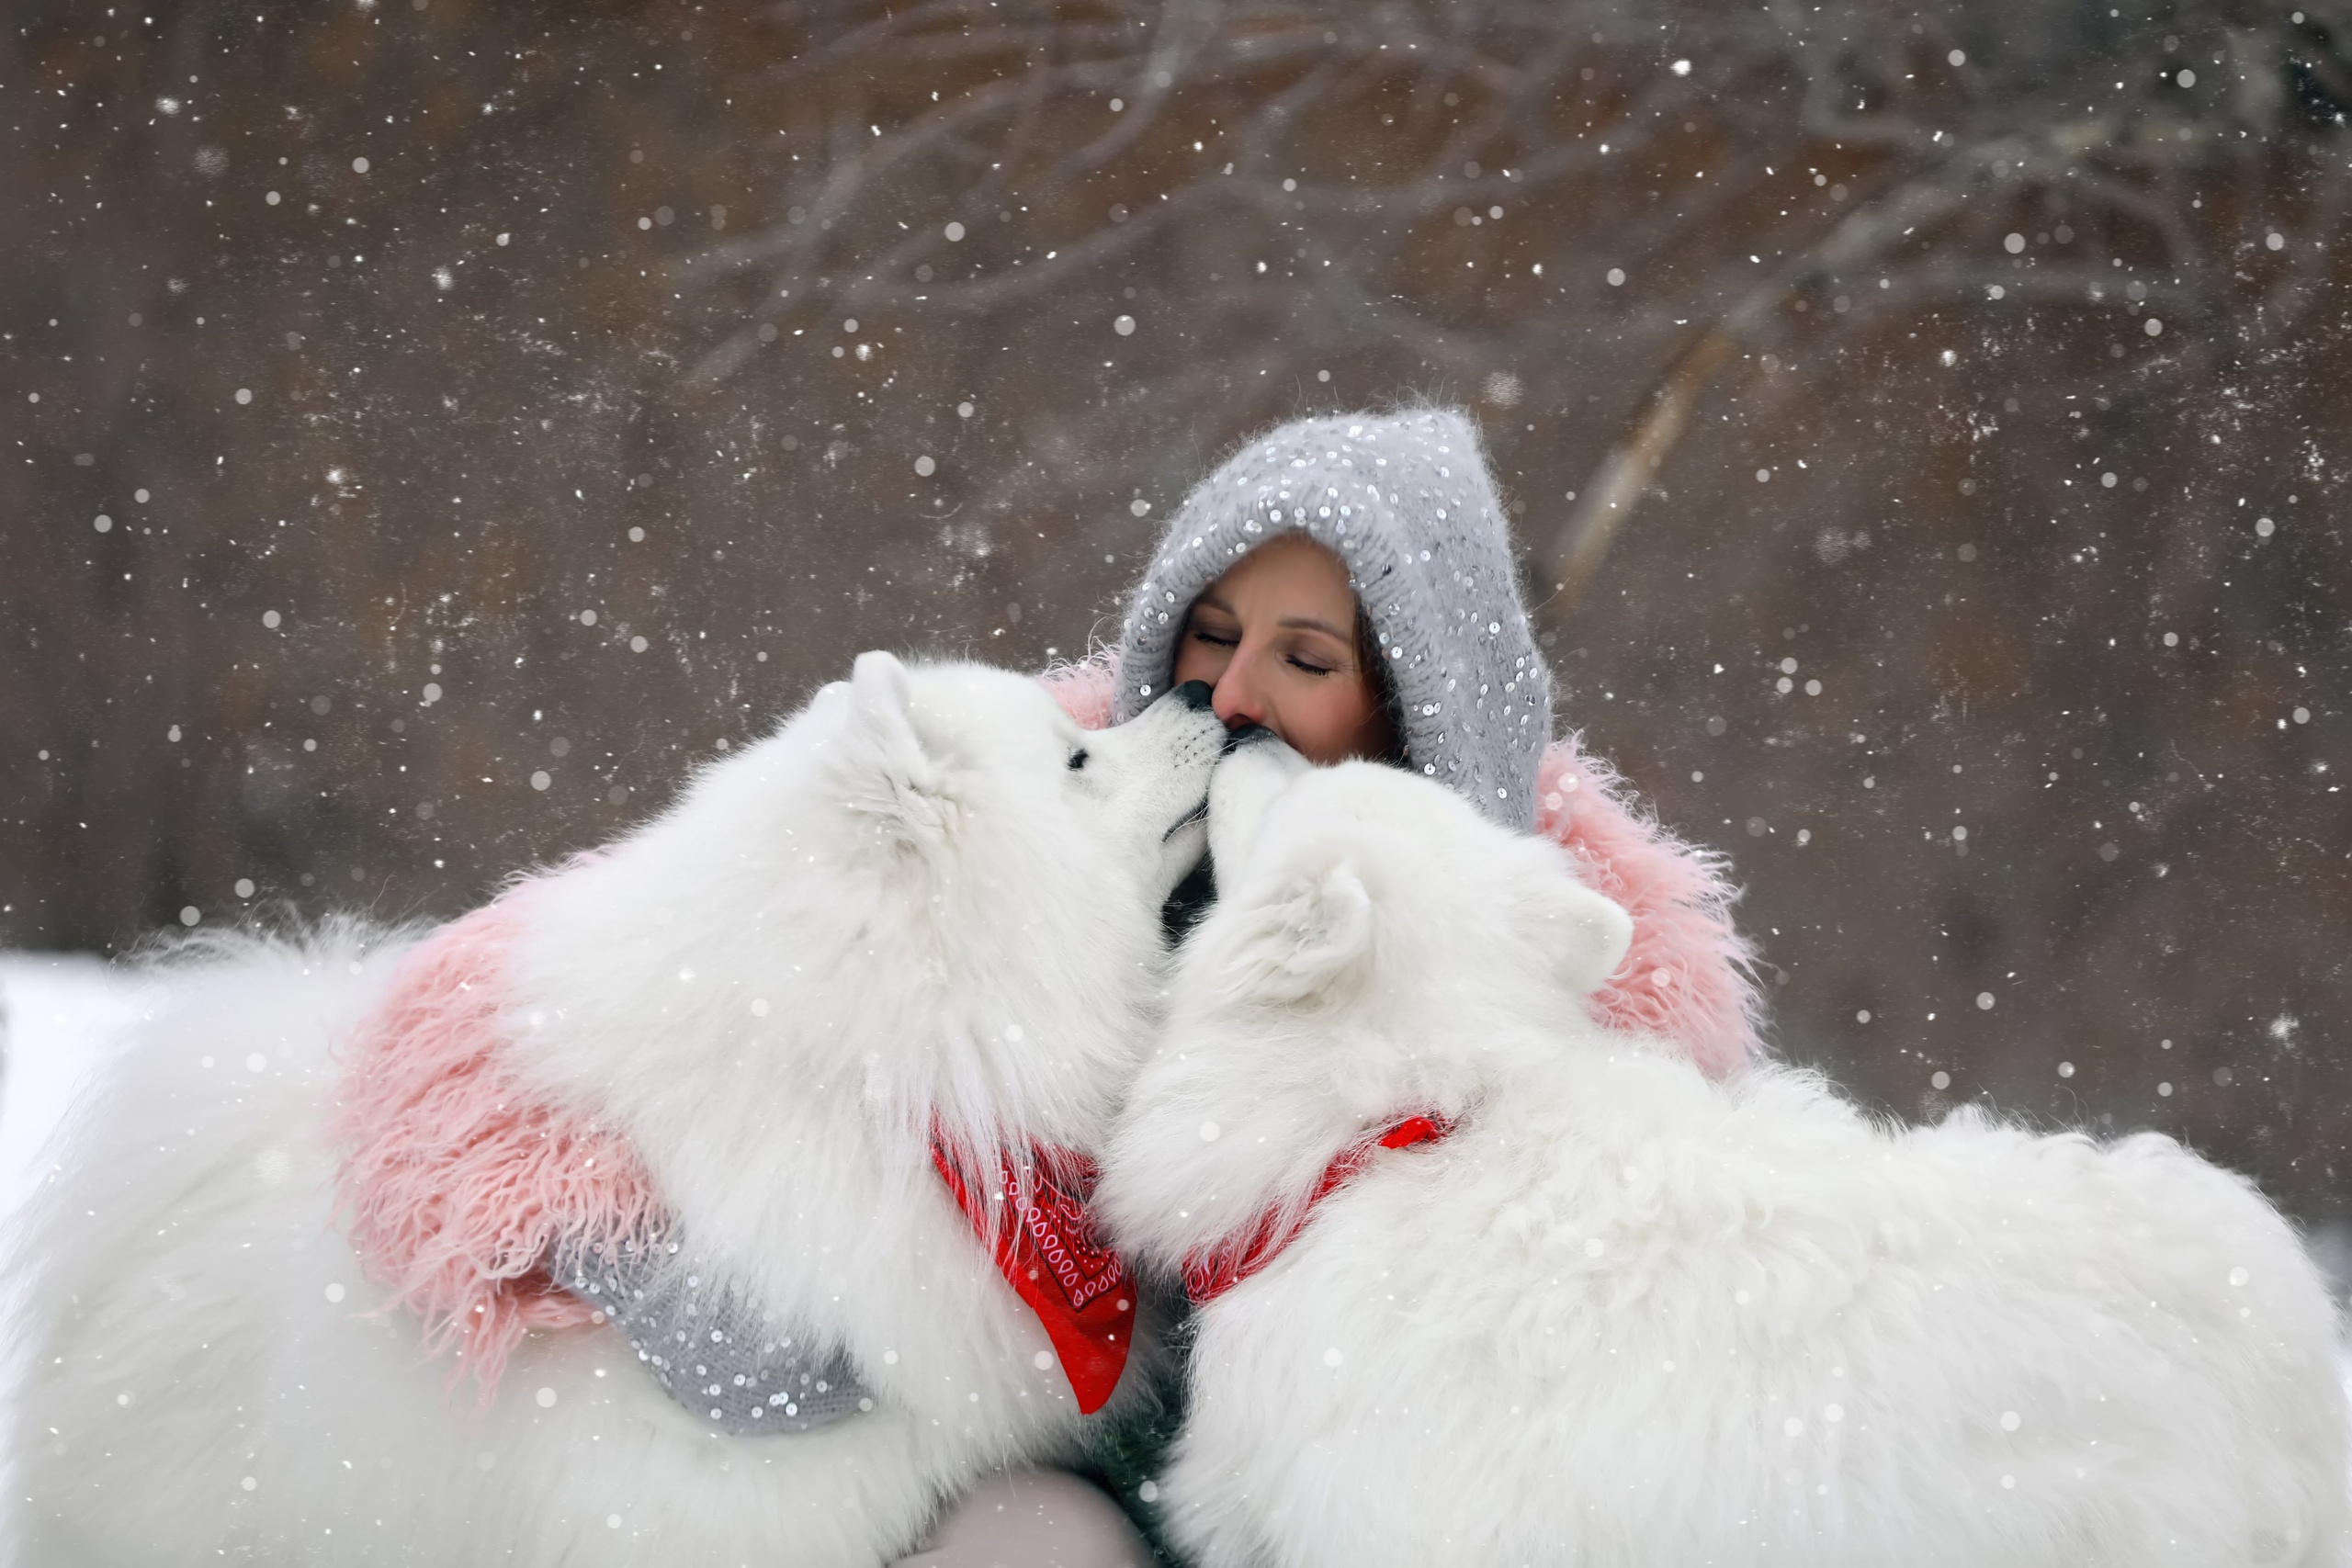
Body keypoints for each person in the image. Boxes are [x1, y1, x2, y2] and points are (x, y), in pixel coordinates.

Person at [569, 408, 1766, 1566]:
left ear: (1411, 712)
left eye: (1304, 658)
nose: (1231, 695)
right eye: (1209, 633)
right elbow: (546, 1009)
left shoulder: (1583, 967)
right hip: (1087, 1502)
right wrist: (717, 1295)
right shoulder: (1023, 801)